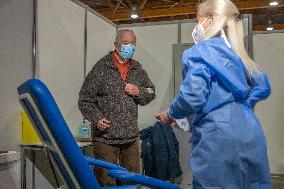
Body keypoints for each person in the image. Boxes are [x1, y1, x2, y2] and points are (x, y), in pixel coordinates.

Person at [156, 0, 272, 188]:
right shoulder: (239, 55)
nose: (197, 26)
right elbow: (262, 86)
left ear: (210, 20)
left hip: (218, 138)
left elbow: (193, 97)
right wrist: (238, 109)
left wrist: (171, 113)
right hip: (251, 132)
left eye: (197, 20)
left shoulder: (199, 52)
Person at [78, 29, 155, 186]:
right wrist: (96, 118)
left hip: (131, 138)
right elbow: (85, 100)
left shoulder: (137, 68)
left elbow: (151, 91)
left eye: (133, 44)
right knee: (106, 182)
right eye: (126, 43)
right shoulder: (101, 67)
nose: (130, 48)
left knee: (132, 182)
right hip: (106, 138)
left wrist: (138, 91)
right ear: (116, 45)